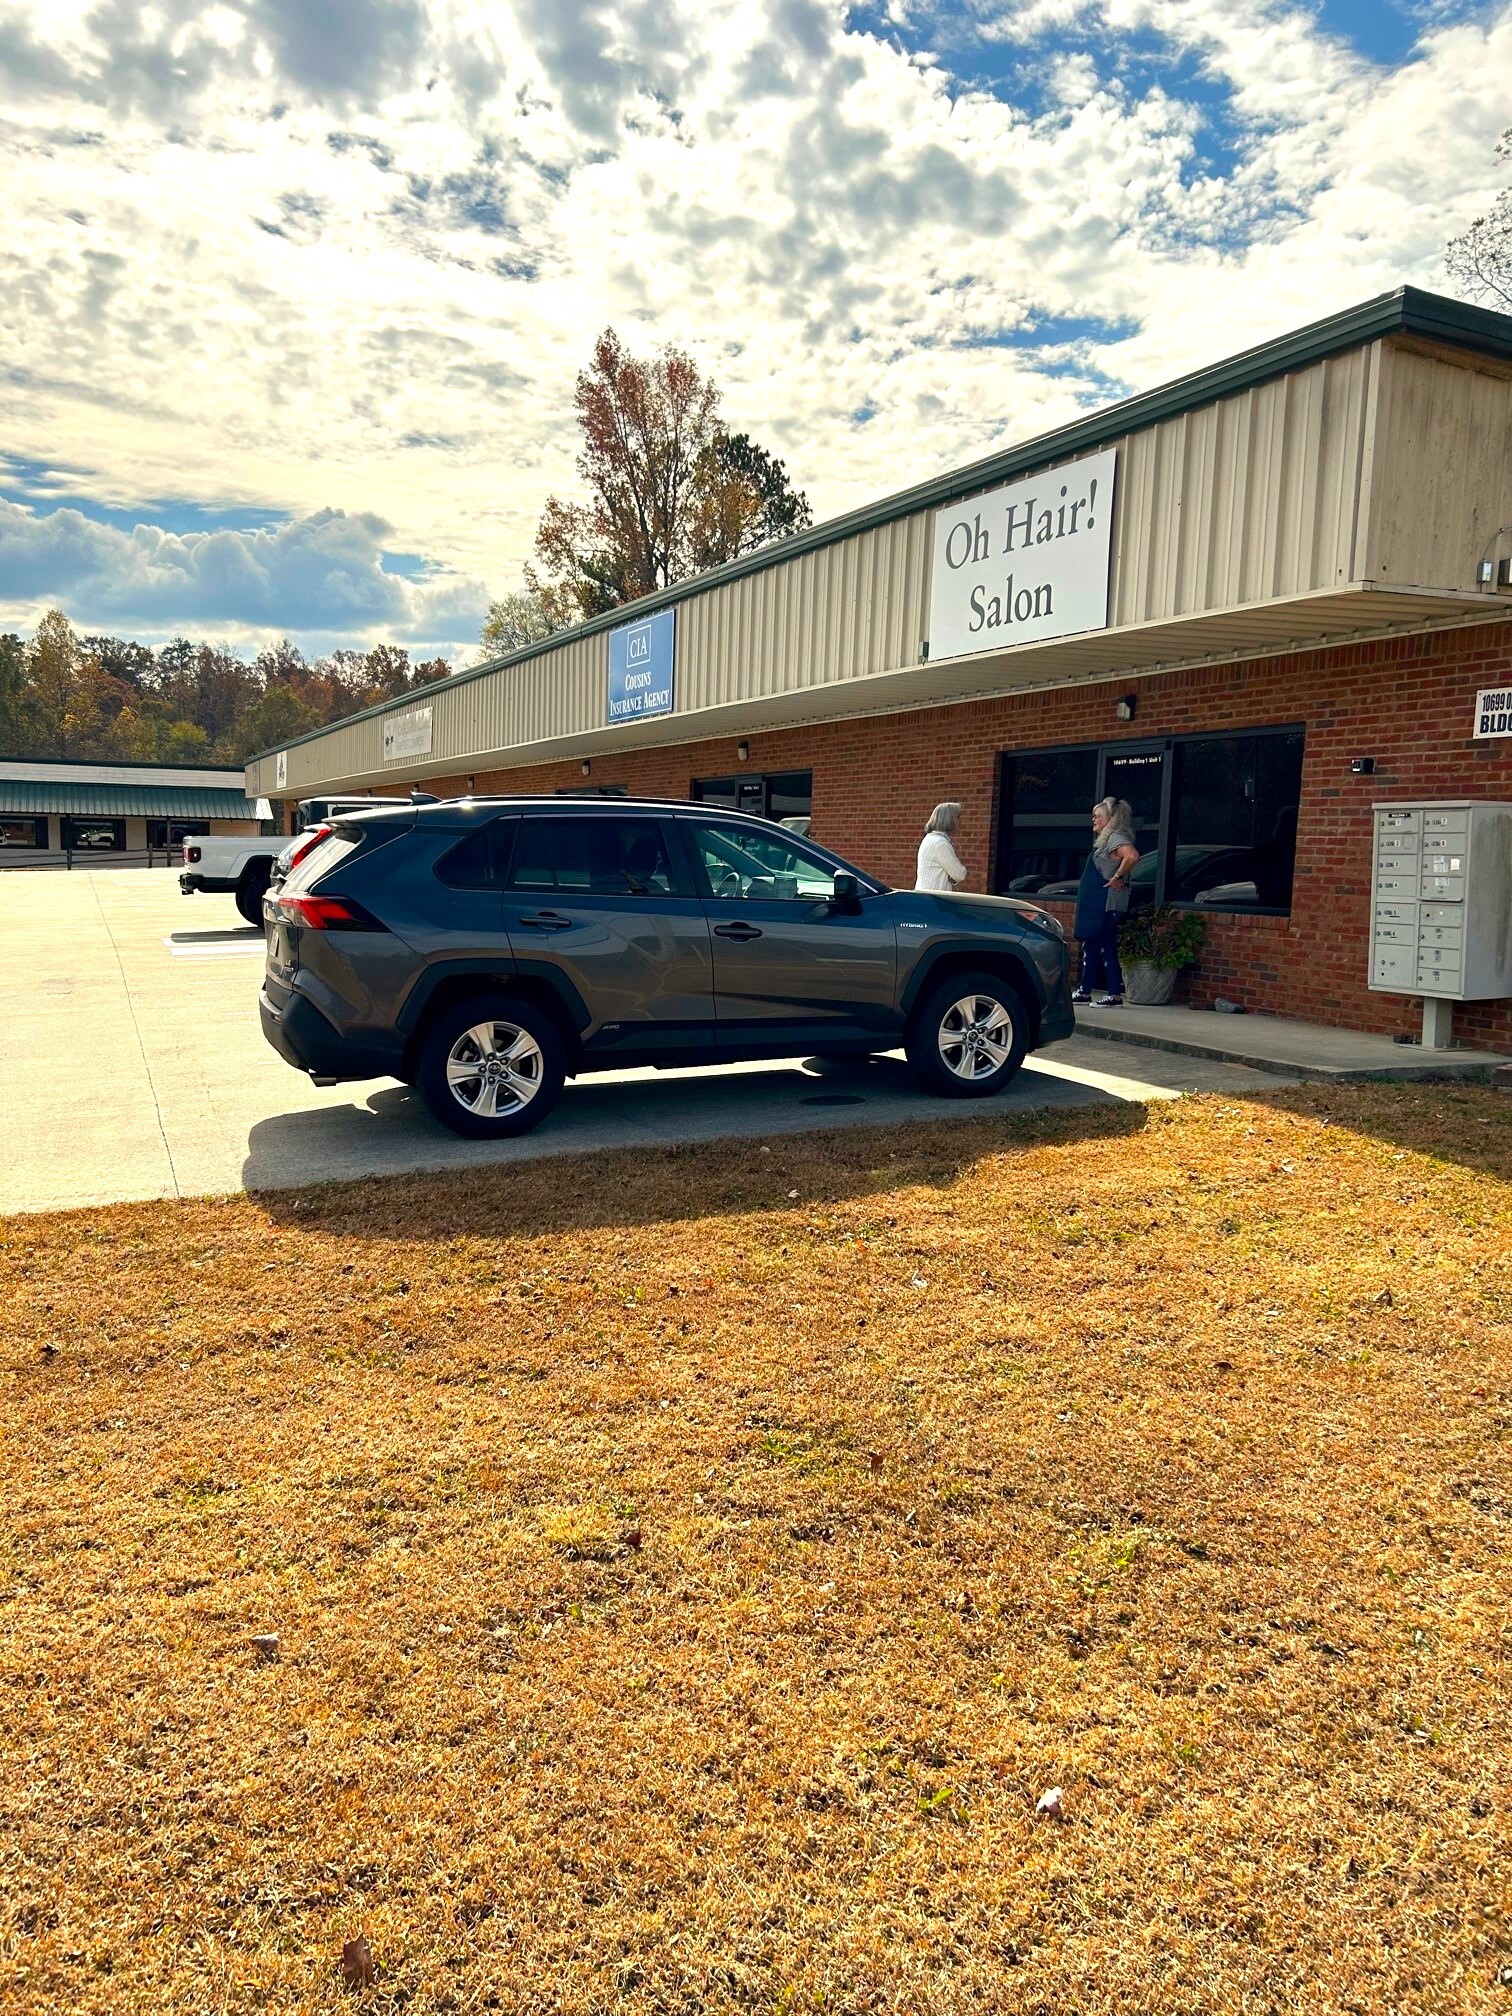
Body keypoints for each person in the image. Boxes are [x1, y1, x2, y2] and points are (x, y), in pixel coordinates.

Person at [1071, 797, 1139, 1005]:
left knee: (1100, 946)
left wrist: (1117, 877)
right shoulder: (1106, 840)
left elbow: (1132, 856)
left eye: (1097, 816)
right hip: (1098, 904)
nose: (1093, 819)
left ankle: (1108, 993)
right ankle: (1089, 991)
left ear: (1110, 818)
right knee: (1096, 946)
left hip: (1106, 904)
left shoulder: (1115, 837)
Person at [916, 801, 967, 891]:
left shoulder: (929, 838)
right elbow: (960, 874)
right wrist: (951, 875)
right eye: (958, 817)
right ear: (949, 819)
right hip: (935, 897)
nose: (960, 821)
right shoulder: (941, 844)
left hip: (924, 894)